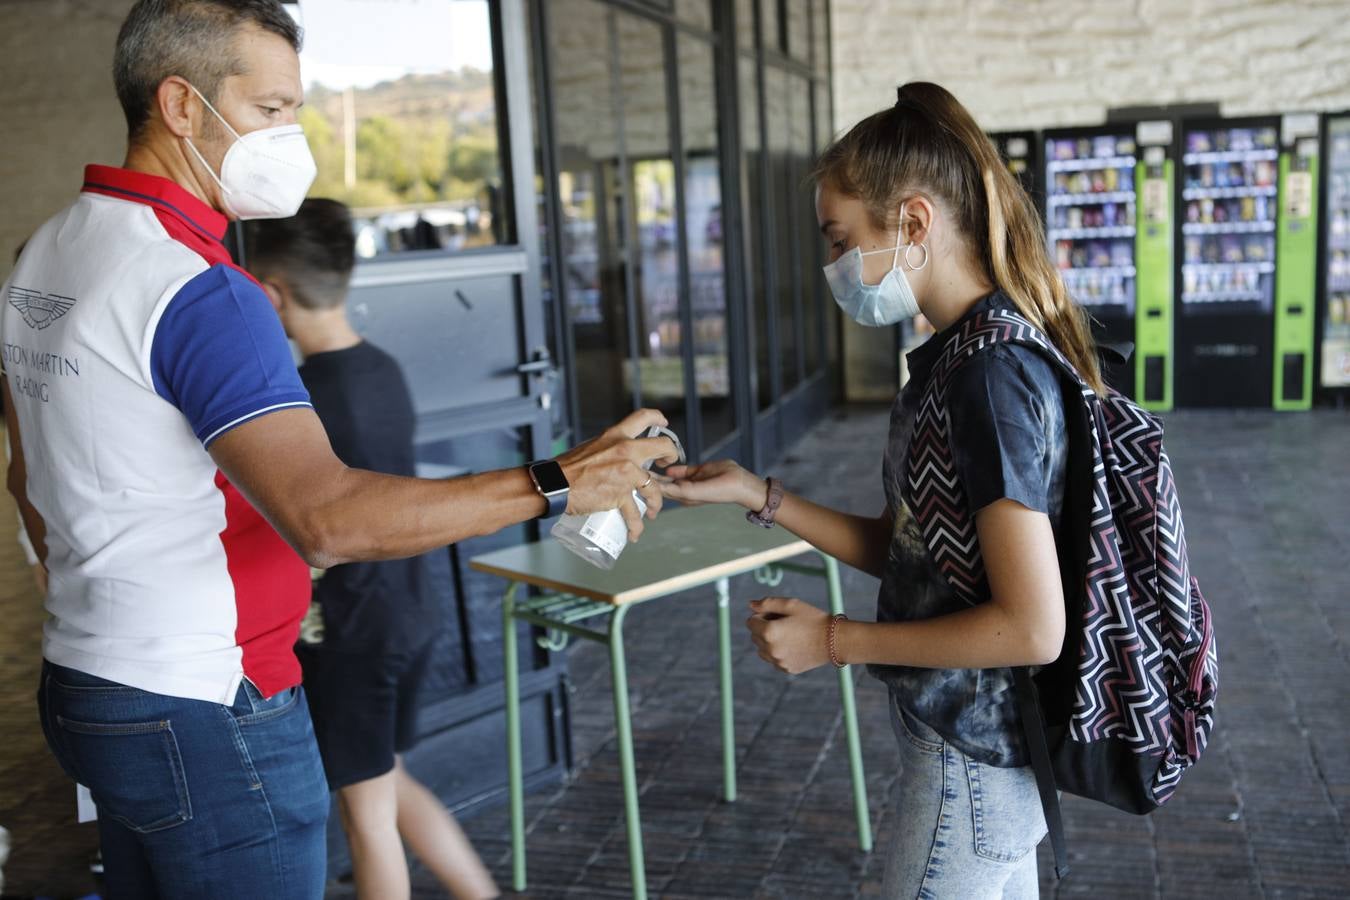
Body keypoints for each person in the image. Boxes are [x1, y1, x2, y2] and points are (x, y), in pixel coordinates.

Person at [1, 2, 675, 897]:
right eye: (274, 109)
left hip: (88, 682)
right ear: (181, 105)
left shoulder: (45, 254)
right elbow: (326, 520)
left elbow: (27, 479)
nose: (293, 136)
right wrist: (558, 481)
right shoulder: (201, 290)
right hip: (208, 705)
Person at [664, 81, 1104, 898]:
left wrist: (834, 640)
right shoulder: (967, 355)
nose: (834, 266)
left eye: (840, 240)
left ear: (912, 223)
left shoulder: (986, 375)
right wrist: (757, 495)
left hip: (972, 765)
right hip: (981, 765)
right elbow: (918, 558)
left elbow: (1031, 626)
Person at [243, 198, 497, 899]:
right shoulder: (381, 367)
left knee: (365, 818)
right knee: (387, 779)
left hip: (356, 631)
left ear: (269, 293)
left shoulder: (297, 396)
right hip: (410, 614)